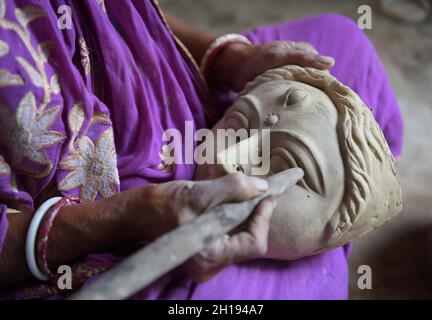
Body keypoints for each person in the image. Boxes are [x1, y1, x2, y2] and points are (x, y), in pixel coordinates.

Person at [0, 0, 403, 299]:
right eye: (241, 126)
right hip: (93, 225)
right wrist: (124, 218)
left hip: (171, 91)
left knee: (345, 41)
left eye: (283, 163)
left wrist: (222, 56)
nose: (229, 157)